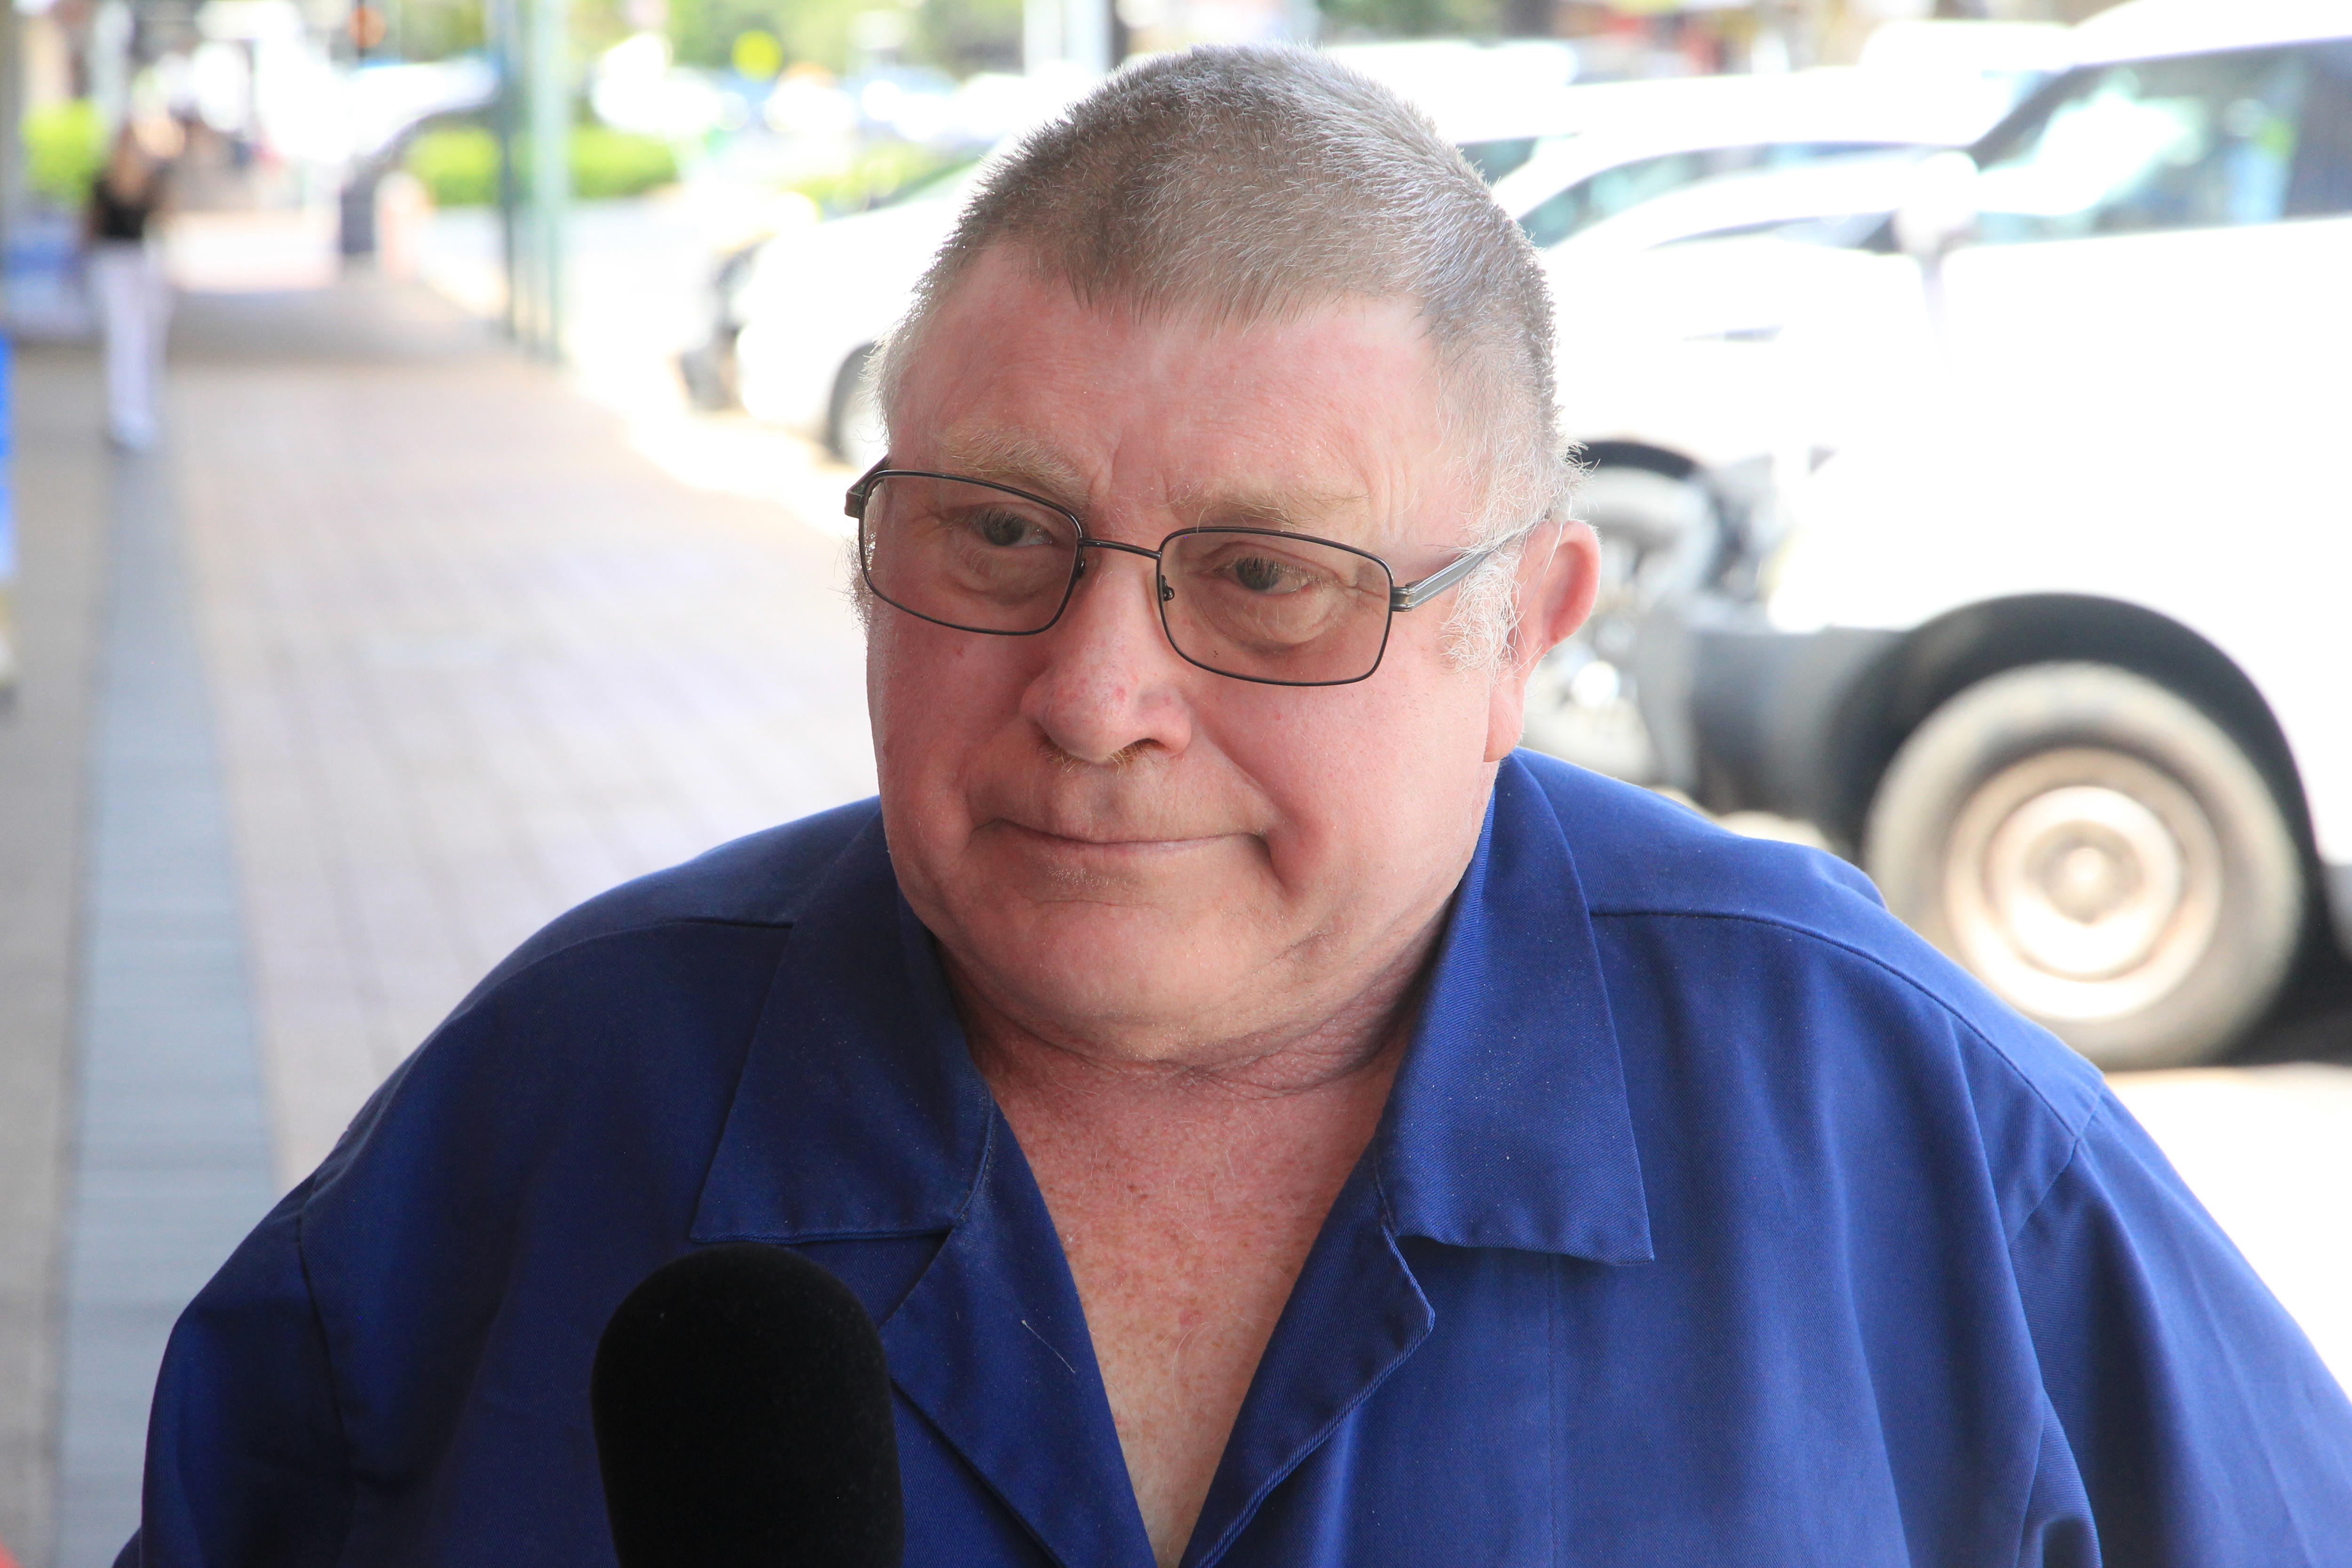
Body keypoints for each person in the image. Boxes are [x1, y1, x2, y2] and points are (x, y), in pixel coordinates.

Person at [123, 48, 2352, 1568]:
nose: (1095, 701)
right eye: (993, 539)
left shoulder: (1904, 1124)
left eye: (1270, 584)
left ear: (1527, 631)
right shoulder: (554, 1107)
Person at [85, 117, 176, 451]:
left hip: (121, 263)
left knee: (126, 339)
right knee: (136, 340)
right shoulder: (146, 178)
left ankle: (127, 413)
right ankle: (133, 413)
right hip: (132, 262)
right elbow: (166, 220)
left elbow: (90, 227)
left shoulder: (116, 179)